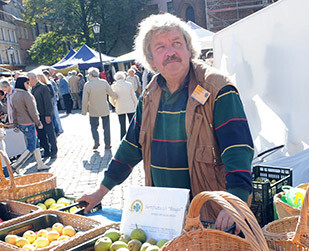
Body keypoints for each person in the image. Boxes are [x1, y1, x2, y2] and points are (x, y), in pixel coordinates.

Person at [79, 13, 254, 230]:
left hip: (208, 214)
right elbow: (131, 146)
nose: (170, 52)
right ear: (151, 59)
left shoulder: (217, 87)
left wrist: (235, 201)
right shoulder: (151, 93)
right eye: (160, 47)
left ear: (189, 50)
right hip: (164, 214)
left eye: (177, 43)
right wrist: (100, 191)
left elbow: (237, 148)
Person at [10, 76, 49, 170]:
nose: (29, 85)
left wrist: (15, 124)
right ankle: (16, 165)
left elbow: (14, 111)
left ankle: (40, 164)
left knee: (35, 144)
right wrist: (38, 122)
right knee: (31, 146)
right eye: (27, 83)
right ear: (23, 84)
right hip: (28, 123)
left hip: (21, 123)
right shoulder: (25, 94)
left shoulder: (15, 95)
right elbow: (32, 111)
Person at [81, 67, 118, 150]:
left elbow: (85, 99)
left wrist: (84, 111)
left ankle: (96, 141)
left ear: (90, 75)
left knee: (94, 127)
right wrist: (117, 97)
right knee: (106, 127)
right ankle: (107, 144)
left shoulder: (87, 85)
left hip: (93, 109)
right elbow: (111, 93)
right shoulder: (104, 82)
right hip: (104, 108)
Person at [28, 72, 57, 160]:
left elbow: (48, 102)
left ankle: (54, 151)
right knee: (41, 134)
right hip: (38, 115)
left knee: (50, 133)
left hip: (45, 114)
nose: (28, 82)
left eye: (28, 80)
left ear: (32, 79)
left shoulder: (43, 87)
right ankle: (46, 150)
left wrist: (48, 115)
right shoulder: (32, 88)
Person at [109, 71, 137, 139]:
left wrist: (115, 104)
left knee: (122, 125)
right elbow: (133, 96)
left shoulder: (113, 86)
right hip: (130, 106)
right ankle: (133, 138)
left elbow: (110, 98)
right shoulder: (129, 84)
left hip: (120, 107)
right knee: (131, 124)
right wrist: (135, 104)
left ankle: (122, 138)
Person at [42, 70, 64, 135]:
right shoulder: (50, 81)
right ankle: (58, 129)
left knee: (55, 116)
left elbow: (53, 92)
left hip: (52, 101)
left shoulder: (49, 82)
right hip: (53, 101)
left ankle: (59, 129)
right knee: (55, 116)